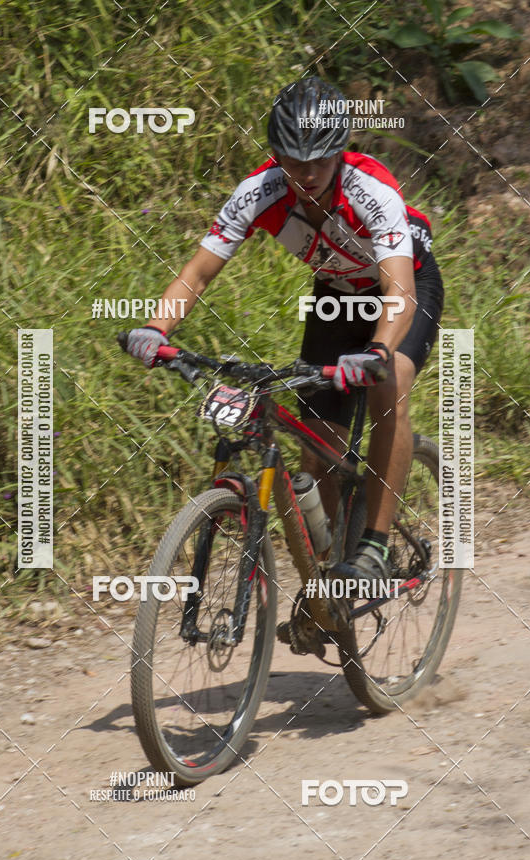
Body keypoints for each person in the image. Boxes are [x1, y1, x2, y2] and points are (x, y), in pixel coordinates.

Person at [127, 76, 443, 595]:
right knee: (317, 449)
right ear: (276, 154)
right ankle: (327, 586)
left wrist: (379, 351)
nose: (309, 173)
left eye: (320, 160)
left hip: (405, 288)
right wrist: (156, 326)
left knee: (389, 384)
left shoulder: (371, 189)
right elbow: (198, 273)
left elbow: (399, 292)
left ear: (340, 151)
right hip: (336, 295)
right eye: (294, 161)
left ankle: (375, 546)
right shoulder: (259, 191)